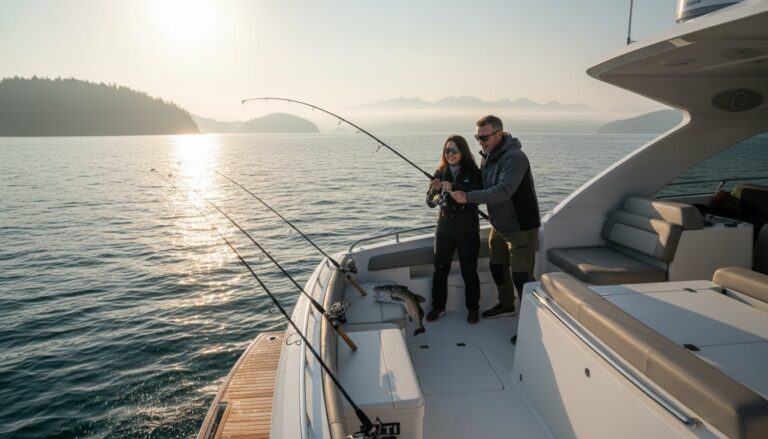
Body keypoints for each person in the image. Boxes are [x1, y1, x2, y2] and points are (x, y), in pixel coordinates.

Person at [450, 115, 540, 320]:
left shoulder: (515, 158)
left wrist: (467, 197)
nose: (480, 142)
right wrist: (455, 185)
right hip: (499, 226)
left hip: (521, 228)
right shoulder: (487, 157)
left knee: (522, 278)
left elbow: (503, 191)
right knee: (497, 268)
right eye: (477, 137)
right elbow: (484, 186)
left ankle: (532, 322)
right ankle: (507, 305)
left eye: (484, 138)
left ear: (499, 134)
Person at [425, 135, 483, 324]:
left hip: (468, 231)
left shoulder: (473, 172)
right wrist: (434, 190)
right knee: (440, 271)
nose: (450, 154)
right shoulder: (439, 172)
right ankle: (438, 307)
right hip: (445, 230)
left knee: (469, 272)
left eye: (454, 150)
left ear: (463, 151)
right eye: (447, 150)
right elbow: (430, 203)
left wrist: (455, 186)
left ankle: (473, 309)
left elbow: (477, 195)